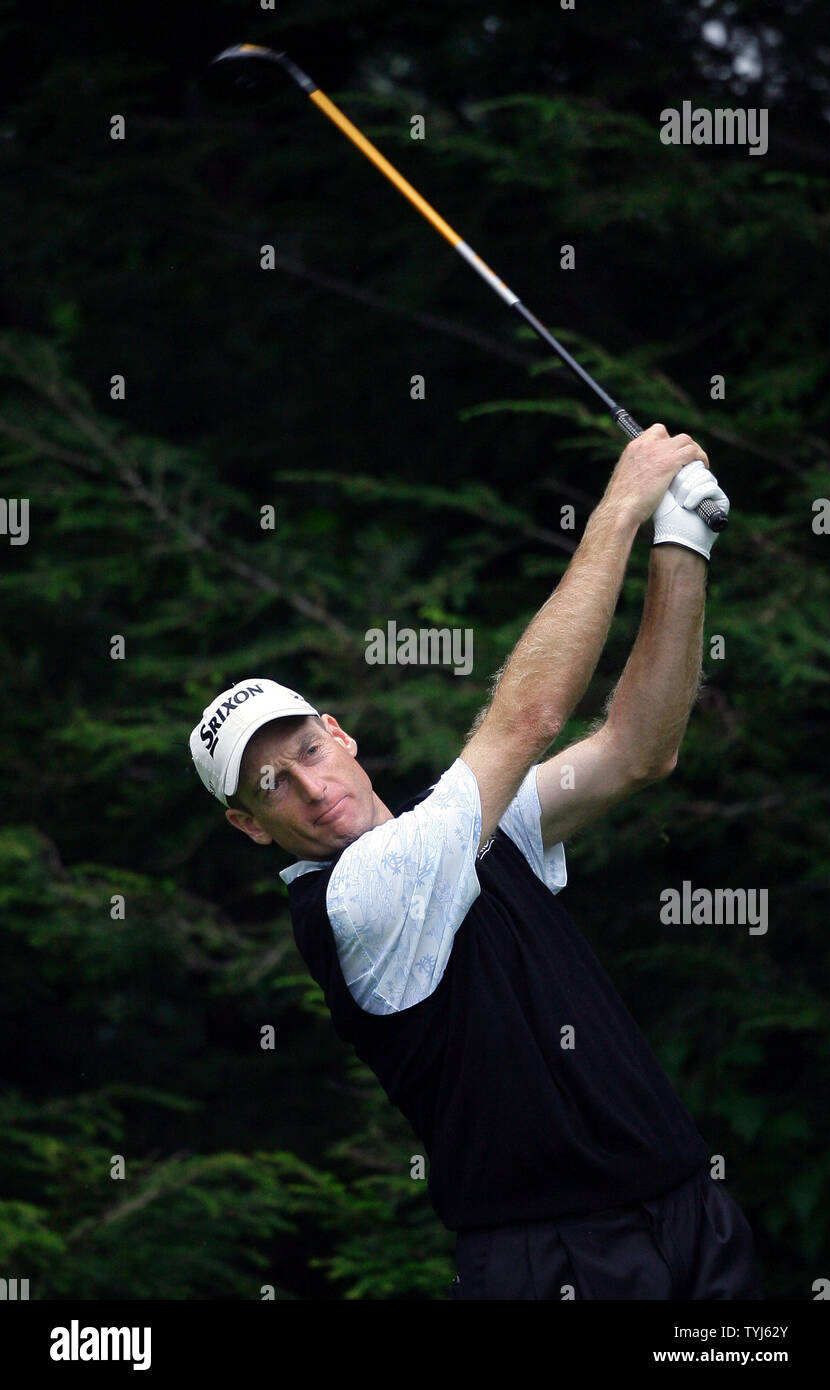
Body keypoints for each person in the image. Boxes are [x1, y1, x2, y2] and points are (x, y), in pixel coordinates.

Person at [189, 424, 763, 1300]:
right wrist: (623, 502)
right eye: (272, 786)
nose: (309, 786)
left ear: (339, 734)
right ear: (250, 825)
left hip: (687, 1216)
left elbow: (638, 751)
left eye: (309, 748)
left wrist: (683, 542)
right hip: (555, 1261)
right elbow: (529, 716)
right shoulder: (359, 900)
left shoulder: (465, 829)